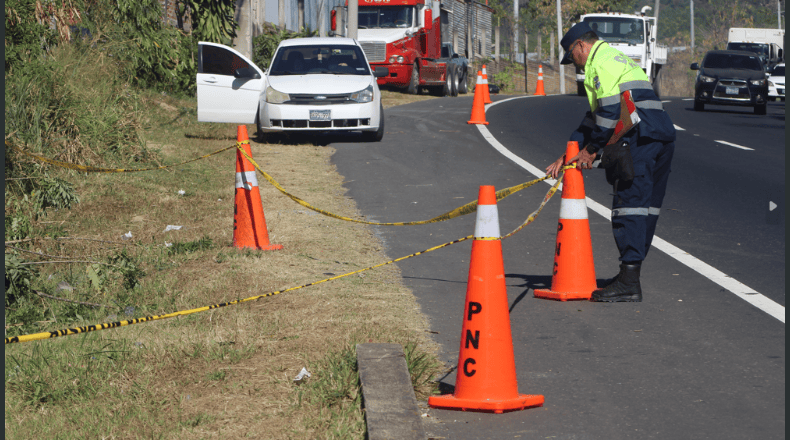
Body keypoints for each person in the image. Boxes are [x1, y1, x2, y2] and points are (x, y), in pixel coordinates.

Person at [546, 22, 676, 302]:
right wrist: (569, 151)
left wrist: (591, 150)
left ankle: (629, 283)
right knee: (646, 209)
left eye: (572, 56)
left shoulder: (599, 64)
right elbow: (592, 119)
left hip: (640, 136)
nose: (574, 65)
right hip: (660, 134)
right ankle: (630, 276)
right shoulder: (615, 58)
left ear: (581, 45)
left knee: (629, 206)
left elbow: (607, 114)